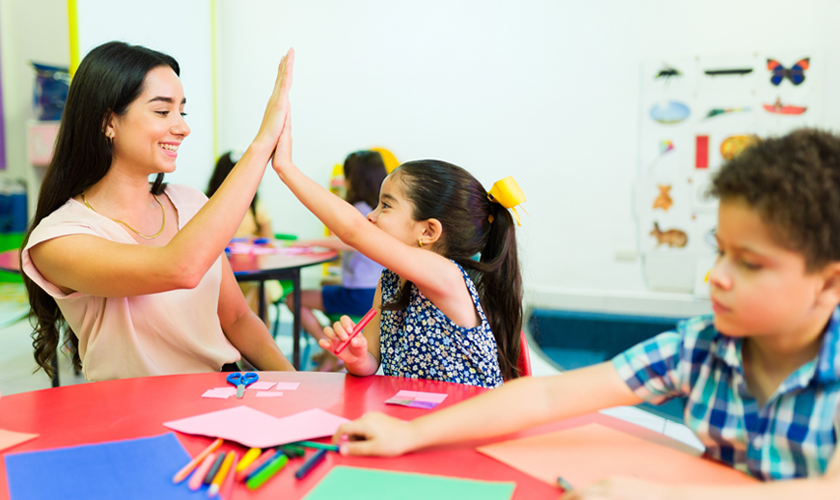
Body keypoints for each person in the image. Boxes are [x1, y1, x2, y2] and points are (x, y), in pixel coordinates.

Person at [330, 129, 840, 498]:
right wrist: (410, 434)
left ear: (830, 281)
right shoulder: (701, 347)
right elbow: (551, 393)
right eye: (720, 250)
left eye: (750, 263)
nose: (719, 276)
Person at [20, 41, 296, 381]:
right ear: (108, 122)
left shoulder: (192, 202)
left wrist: (300, 384)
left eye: (183, 111)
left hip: (220, 401)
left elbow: (237, 318)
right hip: (134, 424)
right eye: (163, 112)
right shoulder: (58, 238)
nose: (182, 127)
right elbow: (179, 268)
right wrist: (262, 144)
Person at [270, 101, 524, 388]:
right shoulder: (390, 279)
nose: (371, 216)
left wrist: (285, 168)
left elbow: (353, 230)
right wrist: (356, 356)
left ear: (428, 231)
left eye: (385, 206)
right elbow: (370, 362)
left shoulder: (447, 276)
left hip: (466, 422)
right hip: (412, 417)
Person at [286, 150, 387, 371]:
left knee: (293, 299)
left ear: (355, 178)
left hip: (359, 294)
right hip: (373, 292)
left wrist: (307, 242)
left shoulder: (360, 209)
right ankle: (335, 350)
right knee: (324, 286)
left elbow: (352, 240)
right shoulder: (379, 212)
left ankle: (333, 349)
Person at [206, 151, 282, 324]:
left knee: (259, 293)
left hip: (256, 273)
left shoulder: (257, 206)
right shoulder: (207, 203)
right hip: (221, 274)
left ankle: (249, 338)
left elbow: (269, 242)